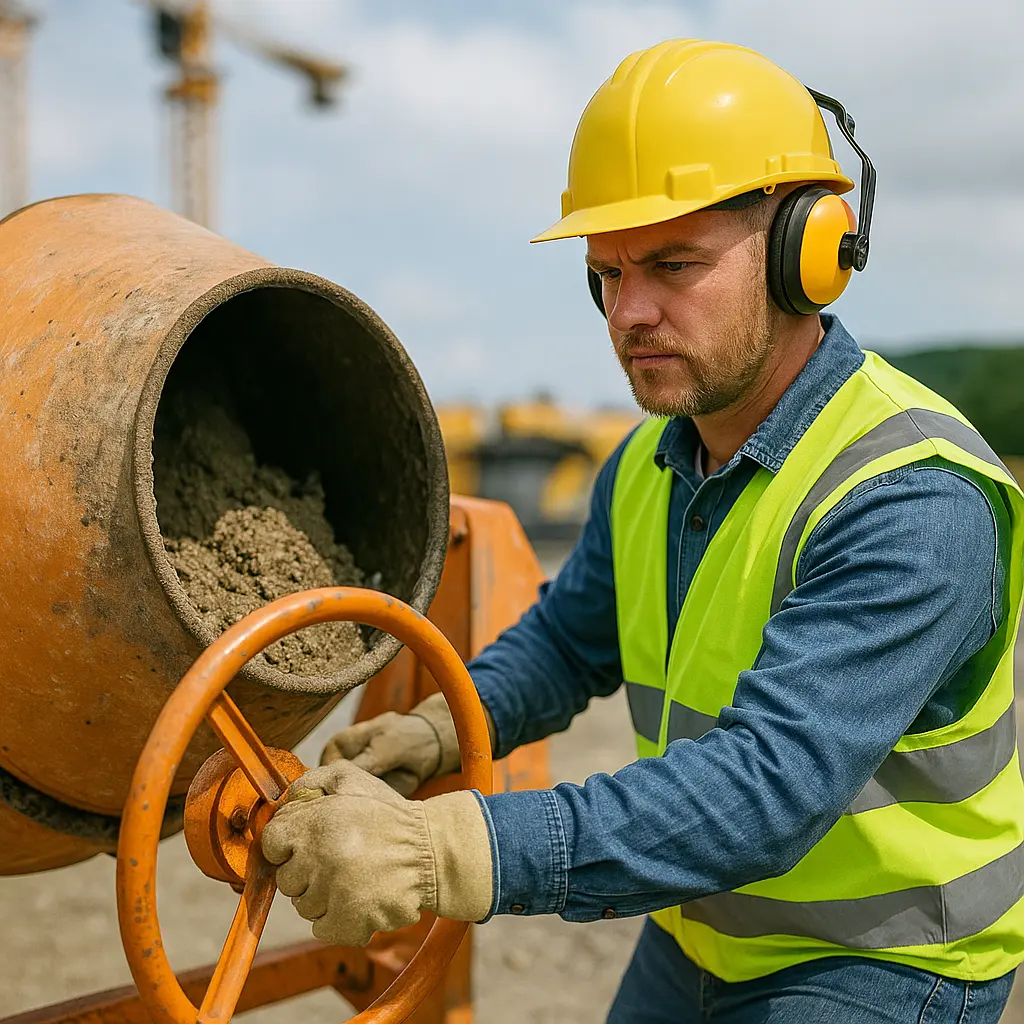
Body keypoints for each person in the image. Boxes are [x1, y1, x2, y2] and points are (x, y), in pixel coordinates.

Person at [261, 39, 1024, 1022]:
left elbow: (764, 790)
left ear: (809, 254)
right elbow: (567, 643)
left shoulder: (908, 496)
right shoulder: (645, 462)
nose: (630, 313)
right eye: (606, 274)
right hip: (701, 928)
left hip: (883, 960)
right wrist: (440, 724)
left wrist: (441, 848)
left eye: (672, 265)